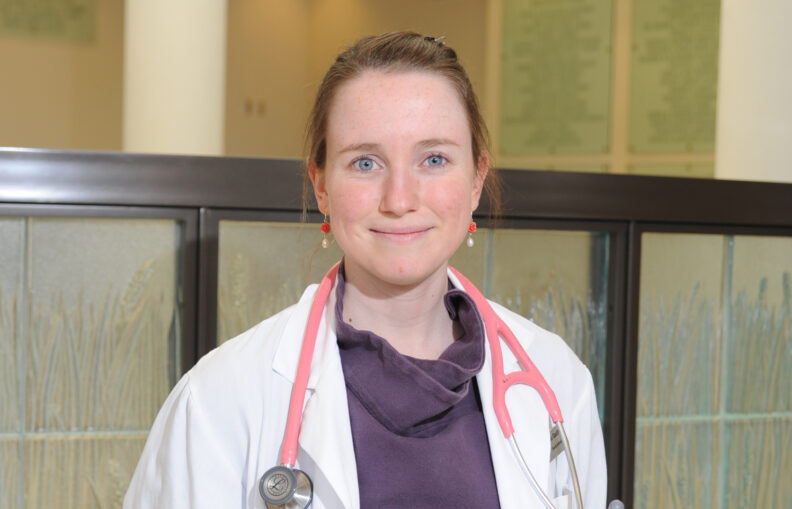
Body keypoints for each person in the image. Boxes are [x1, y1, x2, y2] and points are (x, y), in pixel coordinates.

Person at [124, 31, 607, 509]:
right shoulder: (219, 400)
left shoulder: (558, 380)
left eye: (434, 159)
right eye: (365, 163)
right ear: (321, 186)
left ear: (476, 180)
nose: (399, 199)